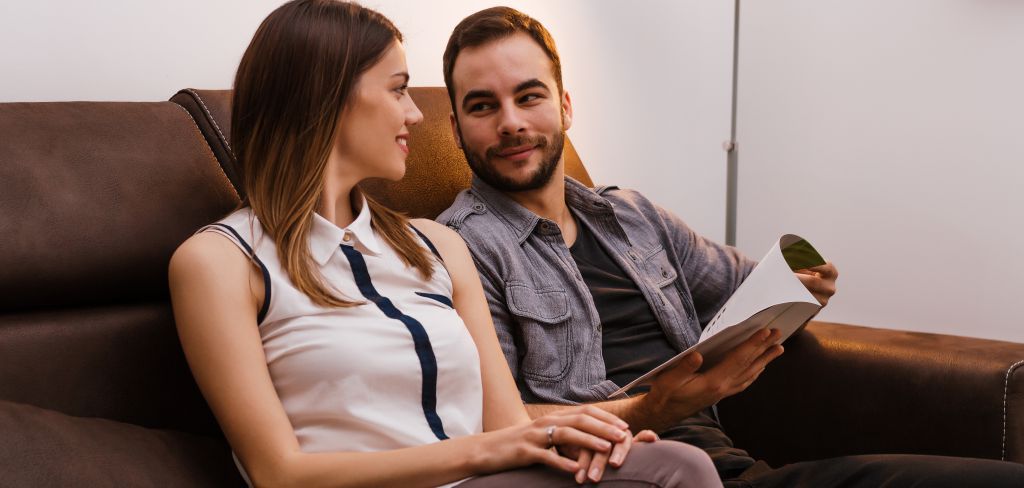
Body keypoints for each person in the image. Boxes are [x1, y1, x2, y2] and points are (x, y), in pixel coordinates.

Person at [435, 6, 1024, 487]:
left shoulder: (632, 216)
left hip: (734, 468)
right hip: (628, 475)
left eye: (529, 96)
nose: (510, 122)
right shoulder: (459, 249)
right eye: (483, 106)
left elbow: (758, 281)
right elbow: (493, 425)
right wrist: (649, 410)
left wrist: (803, 278)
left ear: (565, 106)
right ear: (457, 129)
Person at [168, 1, 722, 487]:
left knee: (671, 465)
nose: (415, 113)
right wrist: (485, 451)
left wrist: (576, 433)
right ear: (327, 99)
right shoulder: (219, 262)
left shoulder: (434, 246)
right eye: (399, 89)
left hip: (490, 479)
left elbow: (507, 426)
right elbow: (278, 474)